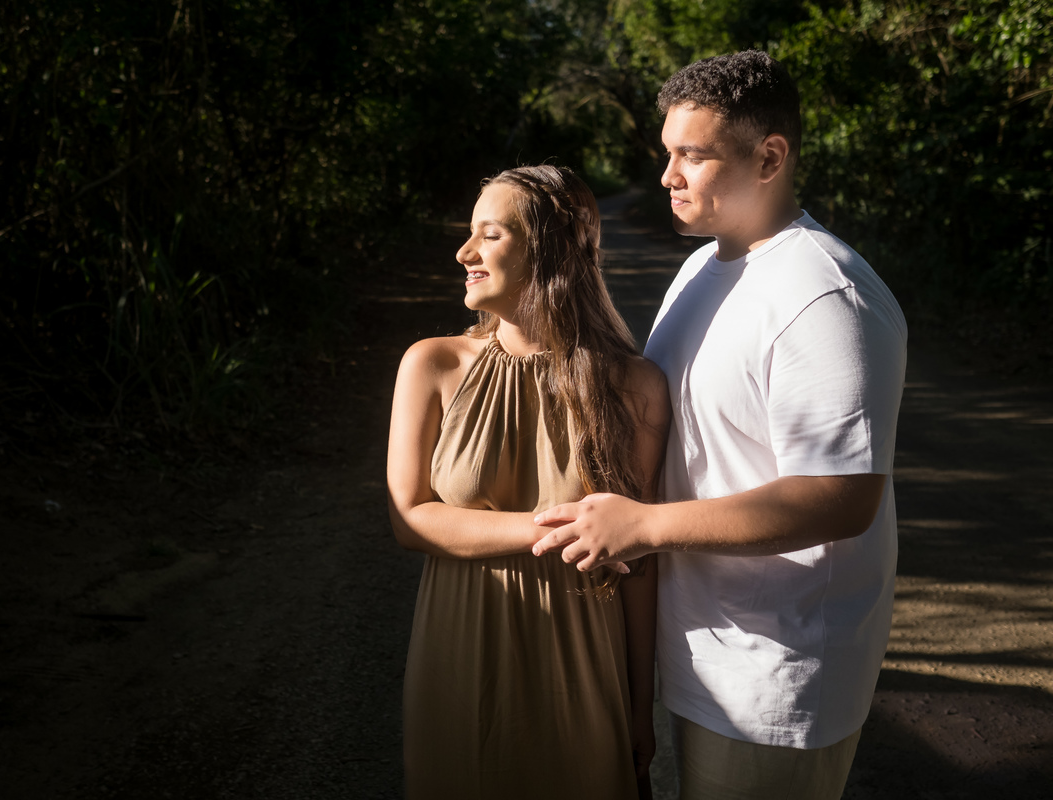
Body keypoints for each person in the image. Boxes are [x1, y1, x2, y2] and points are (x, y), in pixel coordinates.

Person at [532, 51, 908, 799]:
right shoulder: (703, 267)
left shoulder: (824, 297)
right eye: (667, 153)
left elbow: (839, 497)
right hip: (708, 650)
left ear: (769, 157)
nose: (668, 175)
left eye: (691, 156)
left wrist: (643, 526)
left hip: (778, 676)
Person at [387, 165, 671, 799]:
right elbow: (411, 518)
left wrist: (639, 703)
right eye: (470, 235)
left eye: (489, 235)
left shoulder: (634, 386)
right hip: (459, 658)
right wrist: (562, 526)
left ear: (548, 251)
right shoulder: (431, 365)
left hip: (581, 664)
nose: (465, 253)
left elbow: (641, 565)